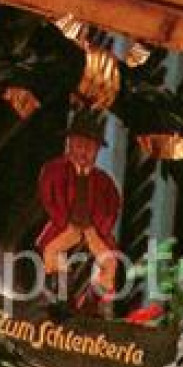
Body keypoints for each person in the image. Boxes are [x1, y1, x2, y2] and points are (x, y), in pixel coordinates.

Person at [37, 113, 121, 311]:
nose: (84, 151)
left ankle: (91, 304)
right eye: (80, 145)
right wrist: (64, 222)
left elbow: (112, 207)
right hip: (66, 226)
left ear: (98, 150)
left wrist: (97, 231)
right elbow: (49, 196)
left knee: (109, 263)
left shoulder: (105, 182)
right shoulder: (54, 170)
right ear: (70, 144)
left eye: (90, 147)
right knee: (52, 252)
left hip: (93, 229)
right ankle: (61, 299)